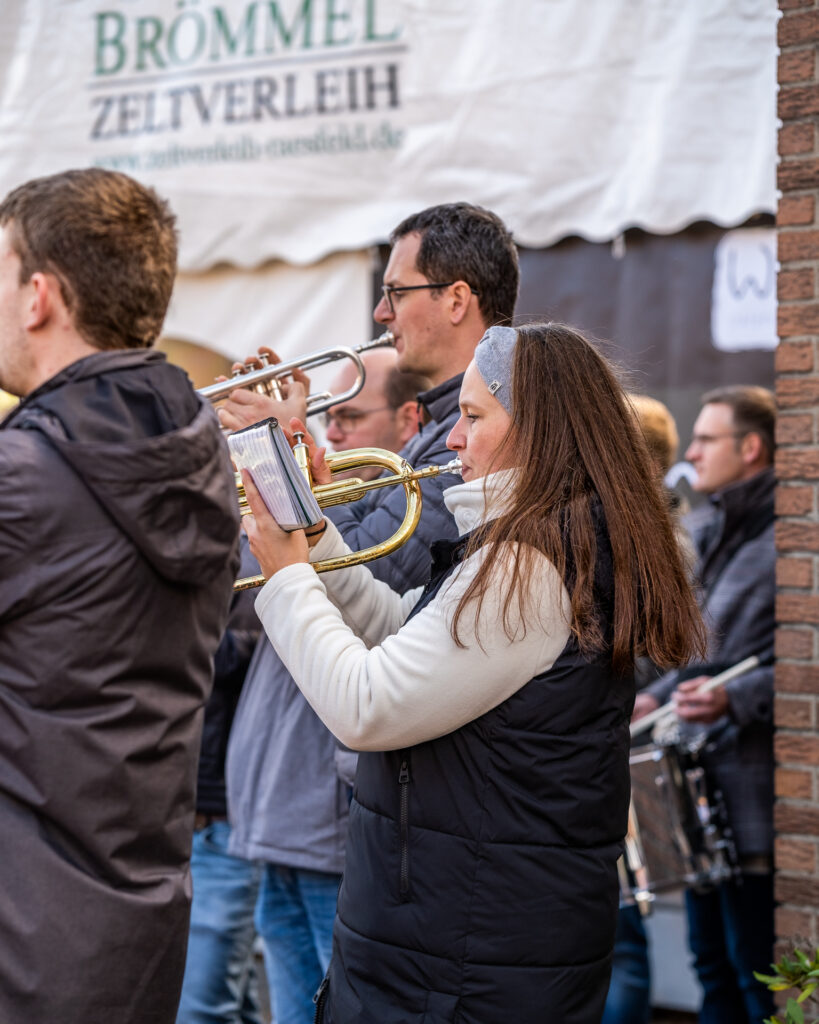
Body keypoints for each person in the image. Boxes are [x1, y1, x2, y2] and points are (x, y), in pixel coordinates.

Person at [240, 322, 704, 1024]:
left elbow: (367, 706)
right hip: (462, 945)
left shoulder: (528, 565)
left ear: (538, 433)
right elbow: (399, 634)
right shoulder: (528, 547)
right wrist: (316, 539)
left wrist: (286, 576)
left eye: (473, 416)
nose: (453, 438)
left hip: (463, 961)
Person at [221, 202, 520, 1024]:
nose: (381, 314)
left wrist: (283, 455)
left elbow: (376, 583)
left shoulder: (469, 445)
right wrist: (286, 461)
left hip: (355, 801)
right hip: (304, 795)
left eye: (395, 292)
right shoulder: (438, 438)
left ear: (455, 299)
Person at [0, 168, 240, 1024]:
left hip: (23, 933)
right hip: (134, 924)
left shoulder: (27, 475)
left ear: (39, 297)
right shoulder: (199, 450)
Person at [633, 386, 776, 1024]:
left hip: (752, 802)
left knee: (755, 980)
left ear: (751, 448)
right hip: (699, 799)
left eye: (707, 439)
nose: (690, 453)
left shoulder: (790, 541)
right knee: (710, 969)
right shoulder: (712, 527)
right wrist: (654, 697)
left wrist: (733, 698)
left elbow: (797, 665)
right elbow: (698, 657)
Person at [603, 394, 692, 1024]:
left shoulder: (661, 540)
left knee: (623, 934)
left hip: (630, 753)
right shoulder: (639, 528)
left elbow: (666, 650)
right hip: (614, 747)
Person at [176, 544, 263, 1024]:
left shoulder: (251, 556)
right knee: (229, 1001)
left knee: (200, 1008)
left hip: (224, 821)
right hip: (187, 819)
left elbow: (235, 656)